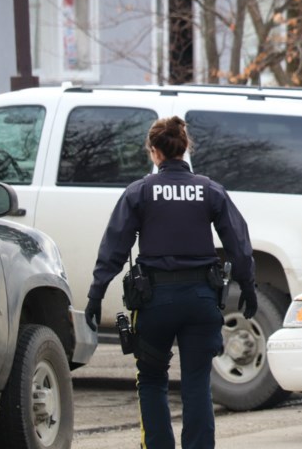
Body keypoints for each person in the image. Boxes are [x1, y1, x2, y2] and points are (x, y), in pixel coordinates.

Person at [84, 116, 258, 449]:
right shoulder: (209, 190)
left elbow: (114, 248)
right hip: (201, 301)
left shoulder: (139, 192)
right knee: (196, 383)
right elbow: (238, 243)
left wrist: (95, 296)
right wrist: (248, 286)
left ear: (154, 152)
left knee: (151, 381)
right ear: (185, 148)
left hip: (155, 302)